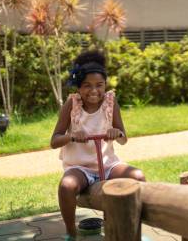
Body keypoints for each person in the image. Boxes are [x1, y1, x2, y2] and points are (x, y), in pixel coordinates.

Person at [51, 50, 145, 240]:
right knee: (66, 186)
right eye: (87, 86)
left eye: (99, 85)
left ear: (105, 85)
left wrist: (116, 132)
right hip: (81, 167)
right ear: (78, 87)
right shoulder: (72, 104)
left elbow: (123, 138)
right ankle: (71, 232)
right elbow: (54, 140)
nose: (94, 91)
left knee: (138, 176)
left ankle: (136, 231)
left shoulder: (110, 102)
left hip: (108, 164)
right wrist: (72, 136)